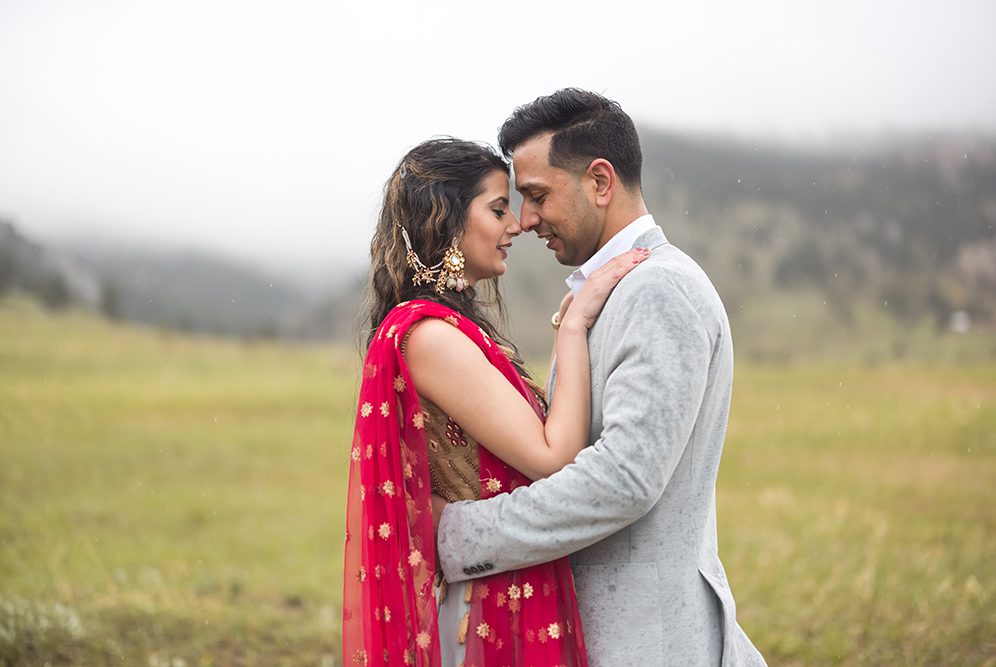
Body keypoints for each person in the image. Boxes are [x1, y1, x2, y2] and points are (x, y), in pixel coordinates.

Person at [432, 90, 767, 665]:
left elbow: (625, 478)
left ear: (601, 182)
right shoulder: (610, 291)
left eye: (538, 195)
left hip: (649, 641)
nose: (527, 218)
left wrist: (458, 533)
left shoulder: (659, 289)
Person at [341, 137, 648, 666]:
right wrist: (572, 328)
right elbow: (554, 457)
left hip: (499, 592)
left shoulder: (440, 329)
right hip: (486, 612)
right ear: (446, 219)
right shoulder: (430, 336)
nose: (516, 226)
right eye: (498, 208)